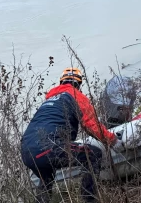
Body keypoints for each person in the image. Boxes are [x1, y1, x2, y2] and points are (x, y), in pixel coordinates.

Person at [21, 67, 121, 203]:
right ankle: (89, 199)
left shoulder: (48, 102)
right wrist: (112, 139)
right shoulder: (75, 95)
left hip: (26, 152)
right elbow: (92, 126)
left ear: (61, 83)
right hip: (48, 147)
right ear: (79, 84)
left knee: (46, 178)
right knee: (92, 154)